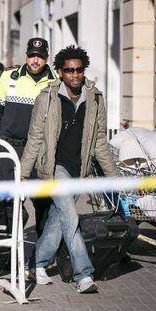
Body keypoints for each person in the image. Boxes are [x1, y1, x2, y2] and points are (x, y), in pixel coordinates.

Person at [20, 45, 119, 293]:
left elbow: (99, 143)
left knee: (58, 220)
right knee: (71, 218)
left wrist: (115, 177)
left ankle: (35, 264)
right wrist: (23, 172)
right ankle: (83, 275)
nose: (75, 75)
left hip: (79, 168)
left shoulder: (95, 98)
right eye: (69, 70)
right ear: (60, 72)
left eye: (79, 70)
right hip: (55, 167)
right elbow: (34, 138)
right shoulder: (47, 97)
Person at [0, 38, 58, 237]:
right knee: (6, 203)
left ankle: (42, 256)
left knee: (43, 204)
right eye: (32, 56)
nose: (35, 60)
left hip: (39, 152)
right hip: (9, 149)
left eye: (40, 56)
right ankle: (7, 250)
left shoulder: (56, 82)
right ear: (26, 55)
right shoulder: (9, 76)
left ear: (47, 57)